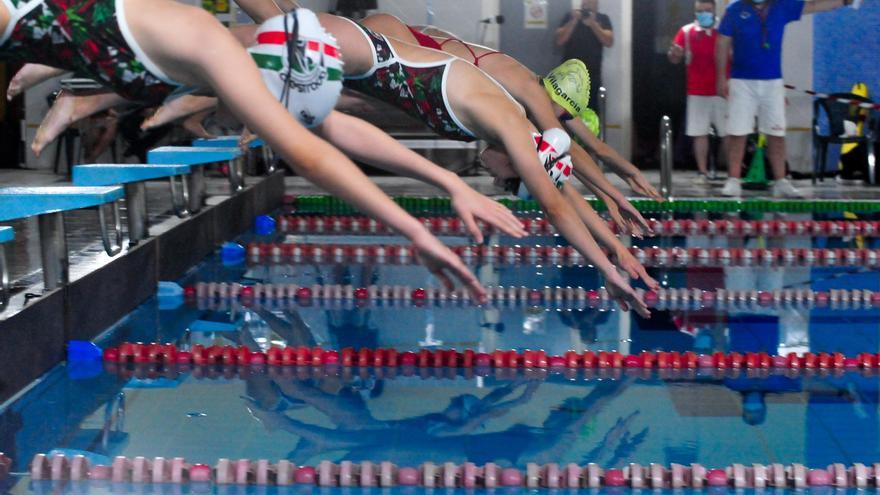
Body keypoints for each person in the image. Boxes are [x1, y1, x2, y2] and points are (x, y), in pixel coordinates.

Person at [0, 1, 487, 300]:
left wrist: (446, 184)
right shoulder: (214, 50)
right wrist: (414, 228)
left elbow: (333, 136)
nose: (269, 121)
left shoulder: (233, 63)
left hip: (70, 39)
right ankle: (64, 88)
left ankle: (66, 89)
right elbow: (312, 153)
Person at [715, 0, 862, 198]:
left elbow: (814, 5)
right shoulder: (735, 9)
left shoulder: (781, 6)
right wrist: (720, 78)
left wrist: (844, 1)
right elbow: (722, 42)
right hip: (742, 80)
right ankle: (733, 180)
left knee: (777, 132)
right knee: (738, 131)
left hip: (773, 81)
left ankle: (780, 181)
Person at [668, 0, 727, 185]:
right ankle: (702, 171)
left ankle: (732, 172)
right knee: (699, 133)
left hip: (723, 90)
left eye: (707, 11)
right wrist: (675, 54)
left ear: (714, 10)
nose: (703, 14)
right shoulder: (686, 31)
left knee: (730, 133)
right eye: (700, 11)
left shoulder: (725, 29)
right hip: (697, 90)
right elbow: (674, 58)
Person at [555, 0, 613, 109]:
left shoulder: (603, 19)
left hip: (592, 75)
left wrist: (592, 24)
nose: (586, 2)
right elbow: (560, 40)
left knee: (590, 111)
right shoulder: (570, 17)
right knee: (567, 112)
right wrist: (574, 20)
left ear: (596, 2)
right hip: (569, 75)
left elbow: (608, 41)